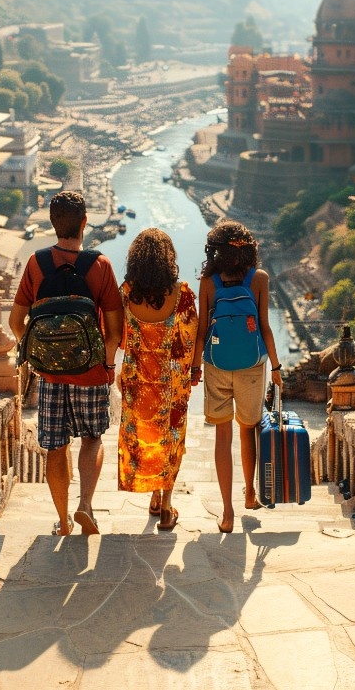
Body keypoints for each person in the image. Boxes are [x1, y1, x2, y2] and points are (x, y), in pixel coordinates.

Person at [10, 191, 123, 536]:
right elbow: (115, 332)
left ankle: (62, 522)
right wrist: (107, 368)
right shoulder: (100, 265)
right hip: (90, 371)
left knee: (55, 446)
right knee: (91, 437)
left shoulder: (36, 263)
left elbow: (16, 324)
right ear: (85, 222)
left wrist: (38, 354)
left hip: (50, 375)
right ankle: (85, 506)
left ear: (52, 223)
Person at [190, 219, 282, 533]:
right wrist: (278, 368)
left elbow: (202, 331)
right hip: (252, 367)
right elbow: (266, 327)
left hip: (216, 364)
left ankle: (227, 513)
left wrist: (193, 367)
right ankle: (251, 492)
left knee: (222, 434)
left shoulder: (208, 283)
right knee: (248, 428)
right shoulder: (259, 279)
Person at [116, 229, 198, 531]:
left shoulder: (125, 293)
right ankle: (164, 506)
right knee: (172, 441)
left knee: (146, 440)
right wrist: (190, 374)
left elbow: (119, 337)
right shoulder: (183, 294)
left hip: (137, 380)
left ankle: (152, 494)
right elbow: (189, 343)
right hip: (171, 383)